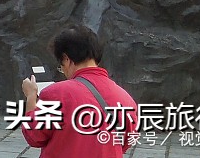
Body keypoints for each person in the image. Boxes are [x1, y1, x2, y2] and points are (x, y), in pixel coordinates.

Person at [21, 24, 138, 156]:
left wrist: (31, 97)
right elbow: (126, 142)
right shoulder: (126, 99)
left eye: (61, 66)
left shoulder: (56, 93)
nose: (63, 71)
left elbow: (34, 136)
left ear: (66, 59)